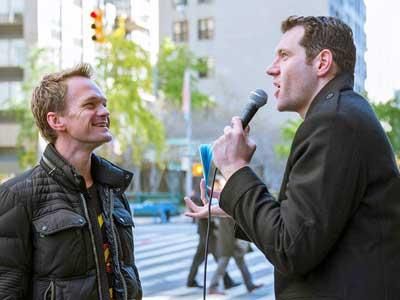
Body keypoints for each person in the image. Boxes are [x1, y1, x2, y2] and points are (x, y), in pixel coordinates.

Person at [185, 16, 400, 299]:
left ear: (322, 62)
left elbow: (291, 247)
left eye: (284, 56)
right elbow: (310, 227)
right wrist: (235, 205)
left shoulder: (333, 123)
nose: (270, 69)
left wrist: (236, 169)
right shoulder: (342, 114)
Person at [0, 64, 142, 299]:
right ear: (56, 121)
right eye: (90, 105)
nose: (105, 112)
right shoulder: (16, 196)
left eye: (104, 104)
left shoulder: (113, 190)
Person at [186, 188, 238, 289]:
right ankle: (226, 282)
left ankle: (190, 280)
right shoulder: (199, 200)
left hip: (206, 235)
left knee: (200, 259)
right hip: (208, 236)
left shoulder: (200, 198)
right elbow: (204, 216)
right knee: (219, 258)